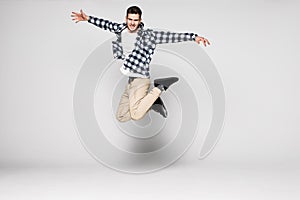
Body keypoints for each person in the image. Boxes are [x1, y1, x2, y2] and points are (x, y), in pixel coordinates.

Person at [71, 6, 210, 122]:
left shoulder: (148, 35)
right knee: (121, 116)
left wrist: (193, 37)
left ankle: (160, 87)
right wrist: (87, 19)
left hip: (141, 78)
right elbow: (105, 24)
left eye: (135, 20)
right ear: (126, 19)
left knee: (136, 115)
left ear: (140, 20)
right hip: (130, 81)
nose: (132, 23)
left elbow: (172, 36)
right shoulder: (120, 29)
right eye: (130, 19)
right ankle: (153, 101)